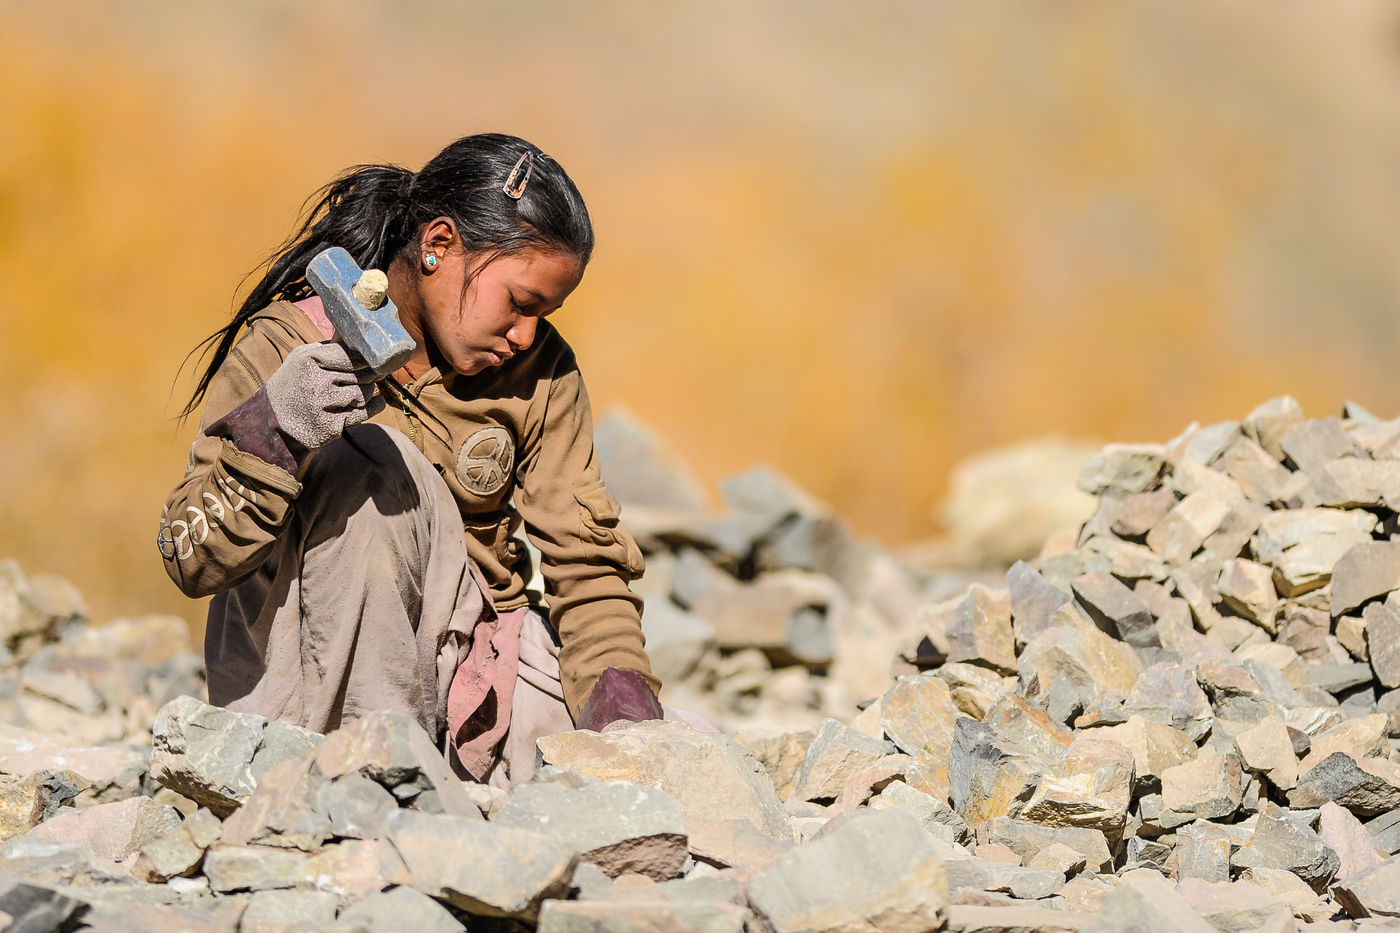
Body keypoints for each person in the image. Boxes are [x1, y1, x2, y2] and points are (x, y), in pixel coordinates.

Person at [158, 133, 665, 787]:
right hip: (305, 685)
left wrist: (634, 736)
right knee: (374, 464)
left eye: (547, 312)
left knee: (652, 775)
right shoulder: (292, 343)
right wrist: (276, 430)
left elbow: (587, 567)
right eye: (519, 303)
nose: (527, 334)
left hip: (474, 675)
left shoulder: (541, 372)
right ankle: (375, 779)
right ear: (439, 246)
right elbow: (190, 558)